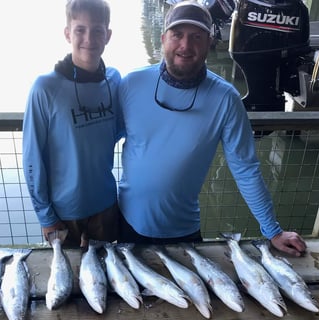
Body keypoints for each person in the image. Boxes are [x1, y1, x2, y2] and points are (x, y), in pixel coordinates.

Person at [117, 0, 307, 256]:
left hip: (184, 233)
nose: (186, 45)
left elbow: (245, 168)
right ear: (163, 39)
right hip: (125, 226)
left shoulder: (226, 98)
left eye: (196, 36)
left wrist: (272, 230)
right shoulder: (131, 84)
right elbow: (99, 147)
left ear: (210, 43)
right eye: (177, 35)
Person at [22, 0, 123, 248]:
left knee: (107, 282)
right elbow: (32, 158)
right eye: (80, 30)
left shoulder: (114, 81)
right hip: (64, 214)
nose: (89, 38)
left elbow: (127, 132)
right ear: (68, 33)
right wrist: (45, 217)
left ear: (108, 36)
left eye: (97, 30)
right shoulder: (45, 88)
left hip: (106, 207)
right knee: (66, 284)